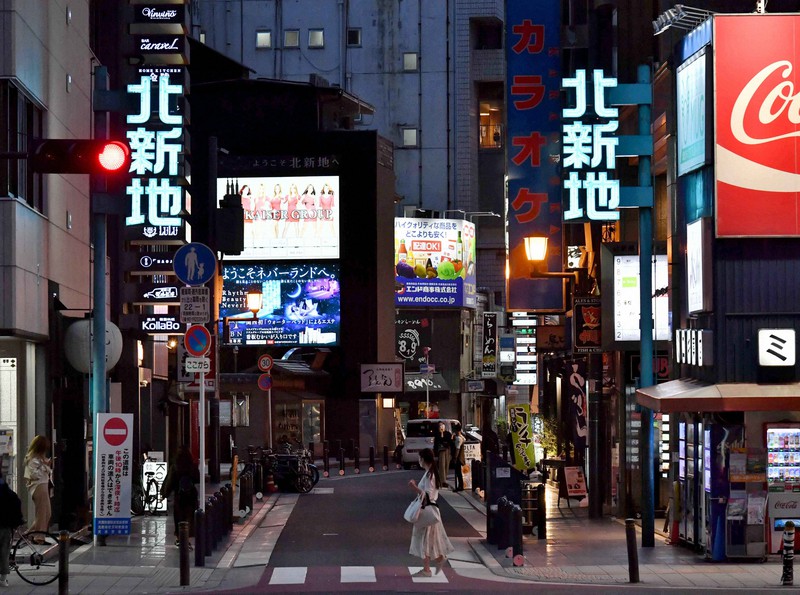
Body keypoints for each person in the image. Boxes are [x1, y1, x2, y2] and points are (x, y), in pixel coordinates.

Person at [408, 448, 453, 577]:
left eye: (419, 458)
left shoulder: (430, 475)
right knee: (429, 540)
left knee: (424, 540)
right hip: (430, 511)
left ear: (423, 459)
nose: (418, 461)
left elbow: (427, 494)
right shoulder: (431, 472)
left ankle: (427, 569)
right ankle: (438, 559)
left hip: (427, 511)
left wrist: (414, 487)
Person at [161, 446, 200, 547]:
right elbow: (197, 479)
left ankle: (179, 537)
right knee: (189, 516)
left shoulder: (175, 466)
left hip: (179, 495)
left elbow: (170, 481)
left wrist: (164, 494)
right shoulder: (192, 465)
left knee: (179, 517)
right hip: (191, 495)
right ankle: (187, 537)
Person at [24, 435, 52, 534]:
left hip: (43, 485)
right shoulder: (33, 459)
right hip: (38, 486)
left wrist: (46, 465)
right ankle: (38, 537)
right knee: (42, 513)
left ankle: (29, 533)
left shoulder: (40, 459)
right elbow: (35, 475)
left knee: (46, 513)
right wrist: (44, 466)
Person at [0, 472, 24, 588]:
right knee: (4, 552)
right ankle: (3, 580)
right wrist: (17, 522)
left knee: (4, 552)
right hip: (6, 526)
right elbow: (16, 502)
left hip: (4, 526)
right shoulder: (7, 491)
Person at [433, 422, 453, 487]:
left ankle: (444, 478)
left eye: (442, 426)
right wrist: (435, 453)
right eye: (440, 426)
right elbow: (436, 444)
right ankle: (442, 480)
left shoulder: (448, 434)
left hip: (447, 450)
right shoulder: (437, 434)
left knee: (447, 464)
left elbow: (450, 442)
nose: (441, 427)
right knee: (442, 465)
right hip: (441, 451)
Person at [452, 424, 466, 492]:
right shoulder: (462, 437)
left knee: (458, 472)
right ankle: (460, 486)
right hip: (461, 456)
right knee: (459, 472)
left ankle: (460, 486)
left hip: (458, 457)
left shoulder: (458, 438)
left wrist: (455, 457)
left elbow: (457, 449)